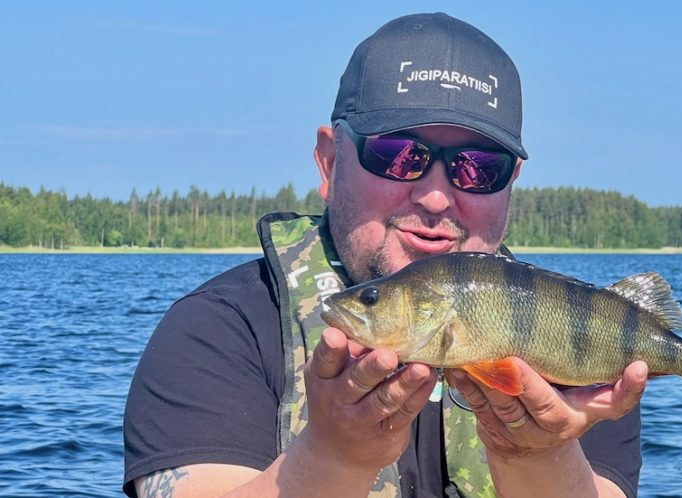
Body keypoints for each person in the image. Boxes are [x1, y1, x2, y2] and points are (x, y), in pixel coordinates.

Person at [123, 12, 649, 498]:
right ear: (329, 162)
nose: (437, 196)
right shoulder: (218, 329)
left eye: (478, 166)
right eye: (398, 156)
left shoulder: (580, 338)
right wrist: (333, 457)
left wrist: (538, 452)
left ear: (510, 185)